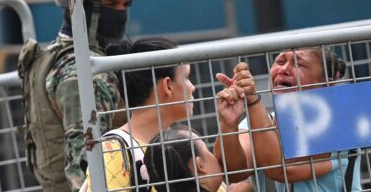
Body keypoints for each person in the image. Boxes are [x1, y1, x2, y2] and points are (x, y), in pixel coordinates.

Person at [18, 0, 145, 191]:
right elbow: (85, 169)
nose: (121, 13)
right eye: (110, 3)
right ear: (81, 5)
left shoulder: (52, 55)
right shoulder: (87, 73)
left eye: (125, 4)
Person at [83, 38, 253, 192]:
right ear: (167, 86)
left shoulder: (185, 141)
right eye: (186, 77)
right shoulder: (113, 149)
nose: (192, 87)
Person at [214, 48, 362, 192]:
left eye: (299, 64)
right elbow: (234, 172)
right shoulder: (256, 120)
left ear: (326, 84)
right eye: (280, 61)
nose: (283, 69)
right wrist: (228, 124)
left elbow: (279, 169)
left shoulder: (336, 123)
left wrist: (252, 99)